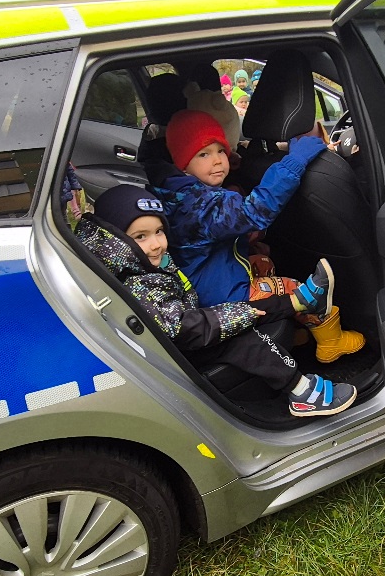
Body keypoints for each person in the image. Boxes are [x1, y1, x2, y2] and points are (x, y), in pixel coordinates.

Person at [76, 184, 358, 417]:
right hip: (181, 349)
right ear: (117, 240)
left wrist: (233, 313)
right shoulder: (138, 282)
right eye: (141, 236)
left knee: (240, 311)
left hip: (185, 329)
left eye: (159, 231)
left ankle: (299, 301)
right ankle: (302, 392)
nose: (156, 244)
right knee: (244, 337)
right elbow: (181, 329)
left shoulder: (139, 265)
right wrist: (236, 317)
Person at [152, 109, 365, 364]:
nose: (217, 161)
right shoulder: (200, 204)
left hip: (209, 281)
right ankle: (332, 342)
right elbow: (255, 211)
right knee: (297, 288)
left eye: (221, 151)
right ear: (183, 164)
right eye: (203, 154)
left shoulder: (177, 191)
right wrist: (294, 160)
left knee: (264, 263)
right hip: (223, 299)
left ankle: (296, 333)